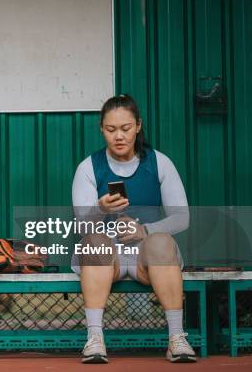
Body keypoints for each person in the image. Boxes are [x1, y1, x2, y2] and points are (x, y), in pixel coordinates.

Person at [71, 94, 196, 364]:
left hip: (145, 257)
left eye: (125, 128)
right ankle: (95, 339)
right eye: (111, 129)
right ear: (101, 129)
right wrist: (101, 209)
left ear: (138, 126)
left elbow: (182, 218)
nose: (119, 136)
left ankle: (177, 339)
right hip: (108, 259)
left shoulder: (159, 162)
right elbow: (81, 226)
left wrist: (145, 232)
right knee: (94, 242)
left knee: (162, 241)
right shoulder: (88, 168)